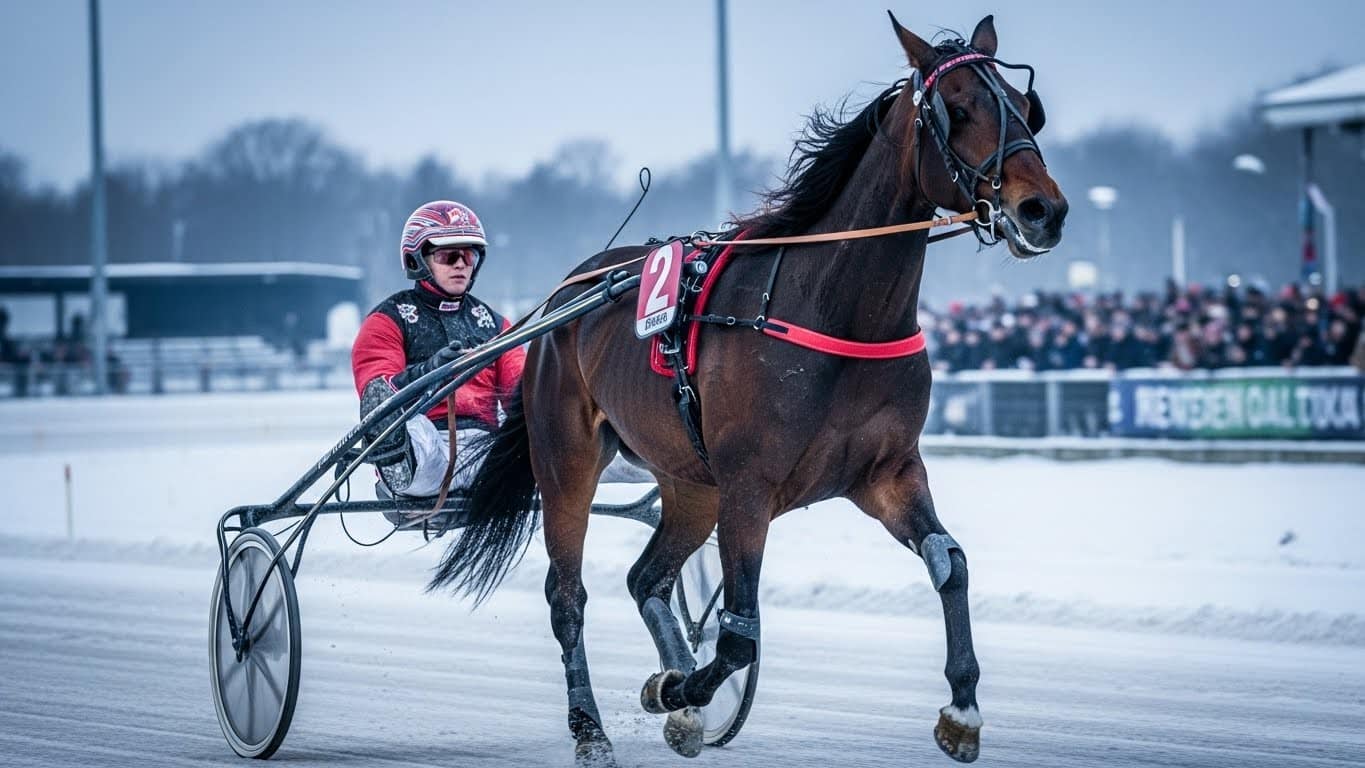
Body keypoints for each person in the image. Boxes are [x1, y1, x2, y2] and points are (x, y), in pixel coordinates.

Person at [351, 200, 524, 500]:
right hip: (422, 443)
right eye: (448, 255)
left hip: (485, 448)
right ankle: (393, 455)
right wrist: (430, 371)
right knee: (410, 426)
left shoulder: (495, 324)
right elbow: (377, 384)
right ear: (419, 260)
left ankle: (631, 446)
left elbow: (520, 390)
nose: (460, 264)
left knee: (551, 430)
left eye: (468, 256)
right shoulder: (388, 320)